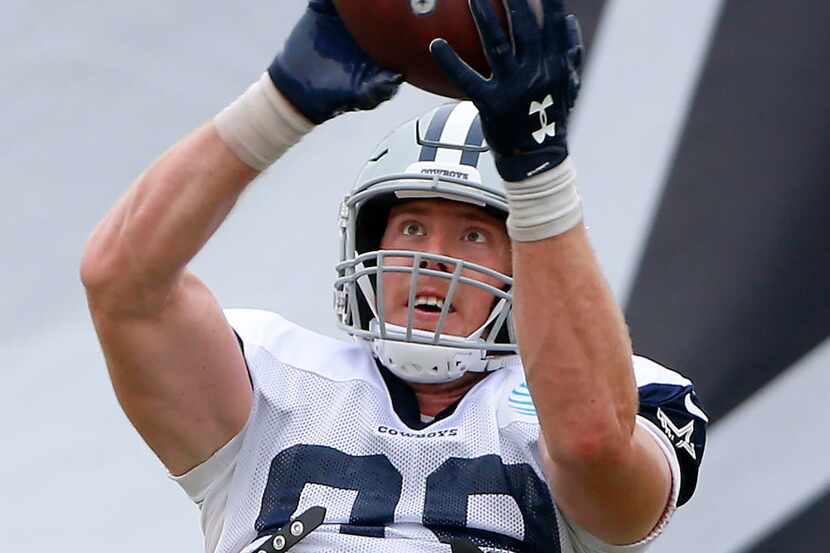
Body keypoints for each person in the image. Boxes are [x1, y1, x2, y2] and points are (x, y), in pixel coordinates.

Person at [81, 0, 708, 552]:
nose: (432, 256)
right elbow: (121, 282)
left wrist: (537, 172)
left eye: (473, 234)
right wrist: (279, 104)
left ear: (530, 268)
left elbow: (593, 443)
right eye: (411, 227)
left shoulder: (619, 399)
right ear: (368, 242)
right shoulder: (267, 384)